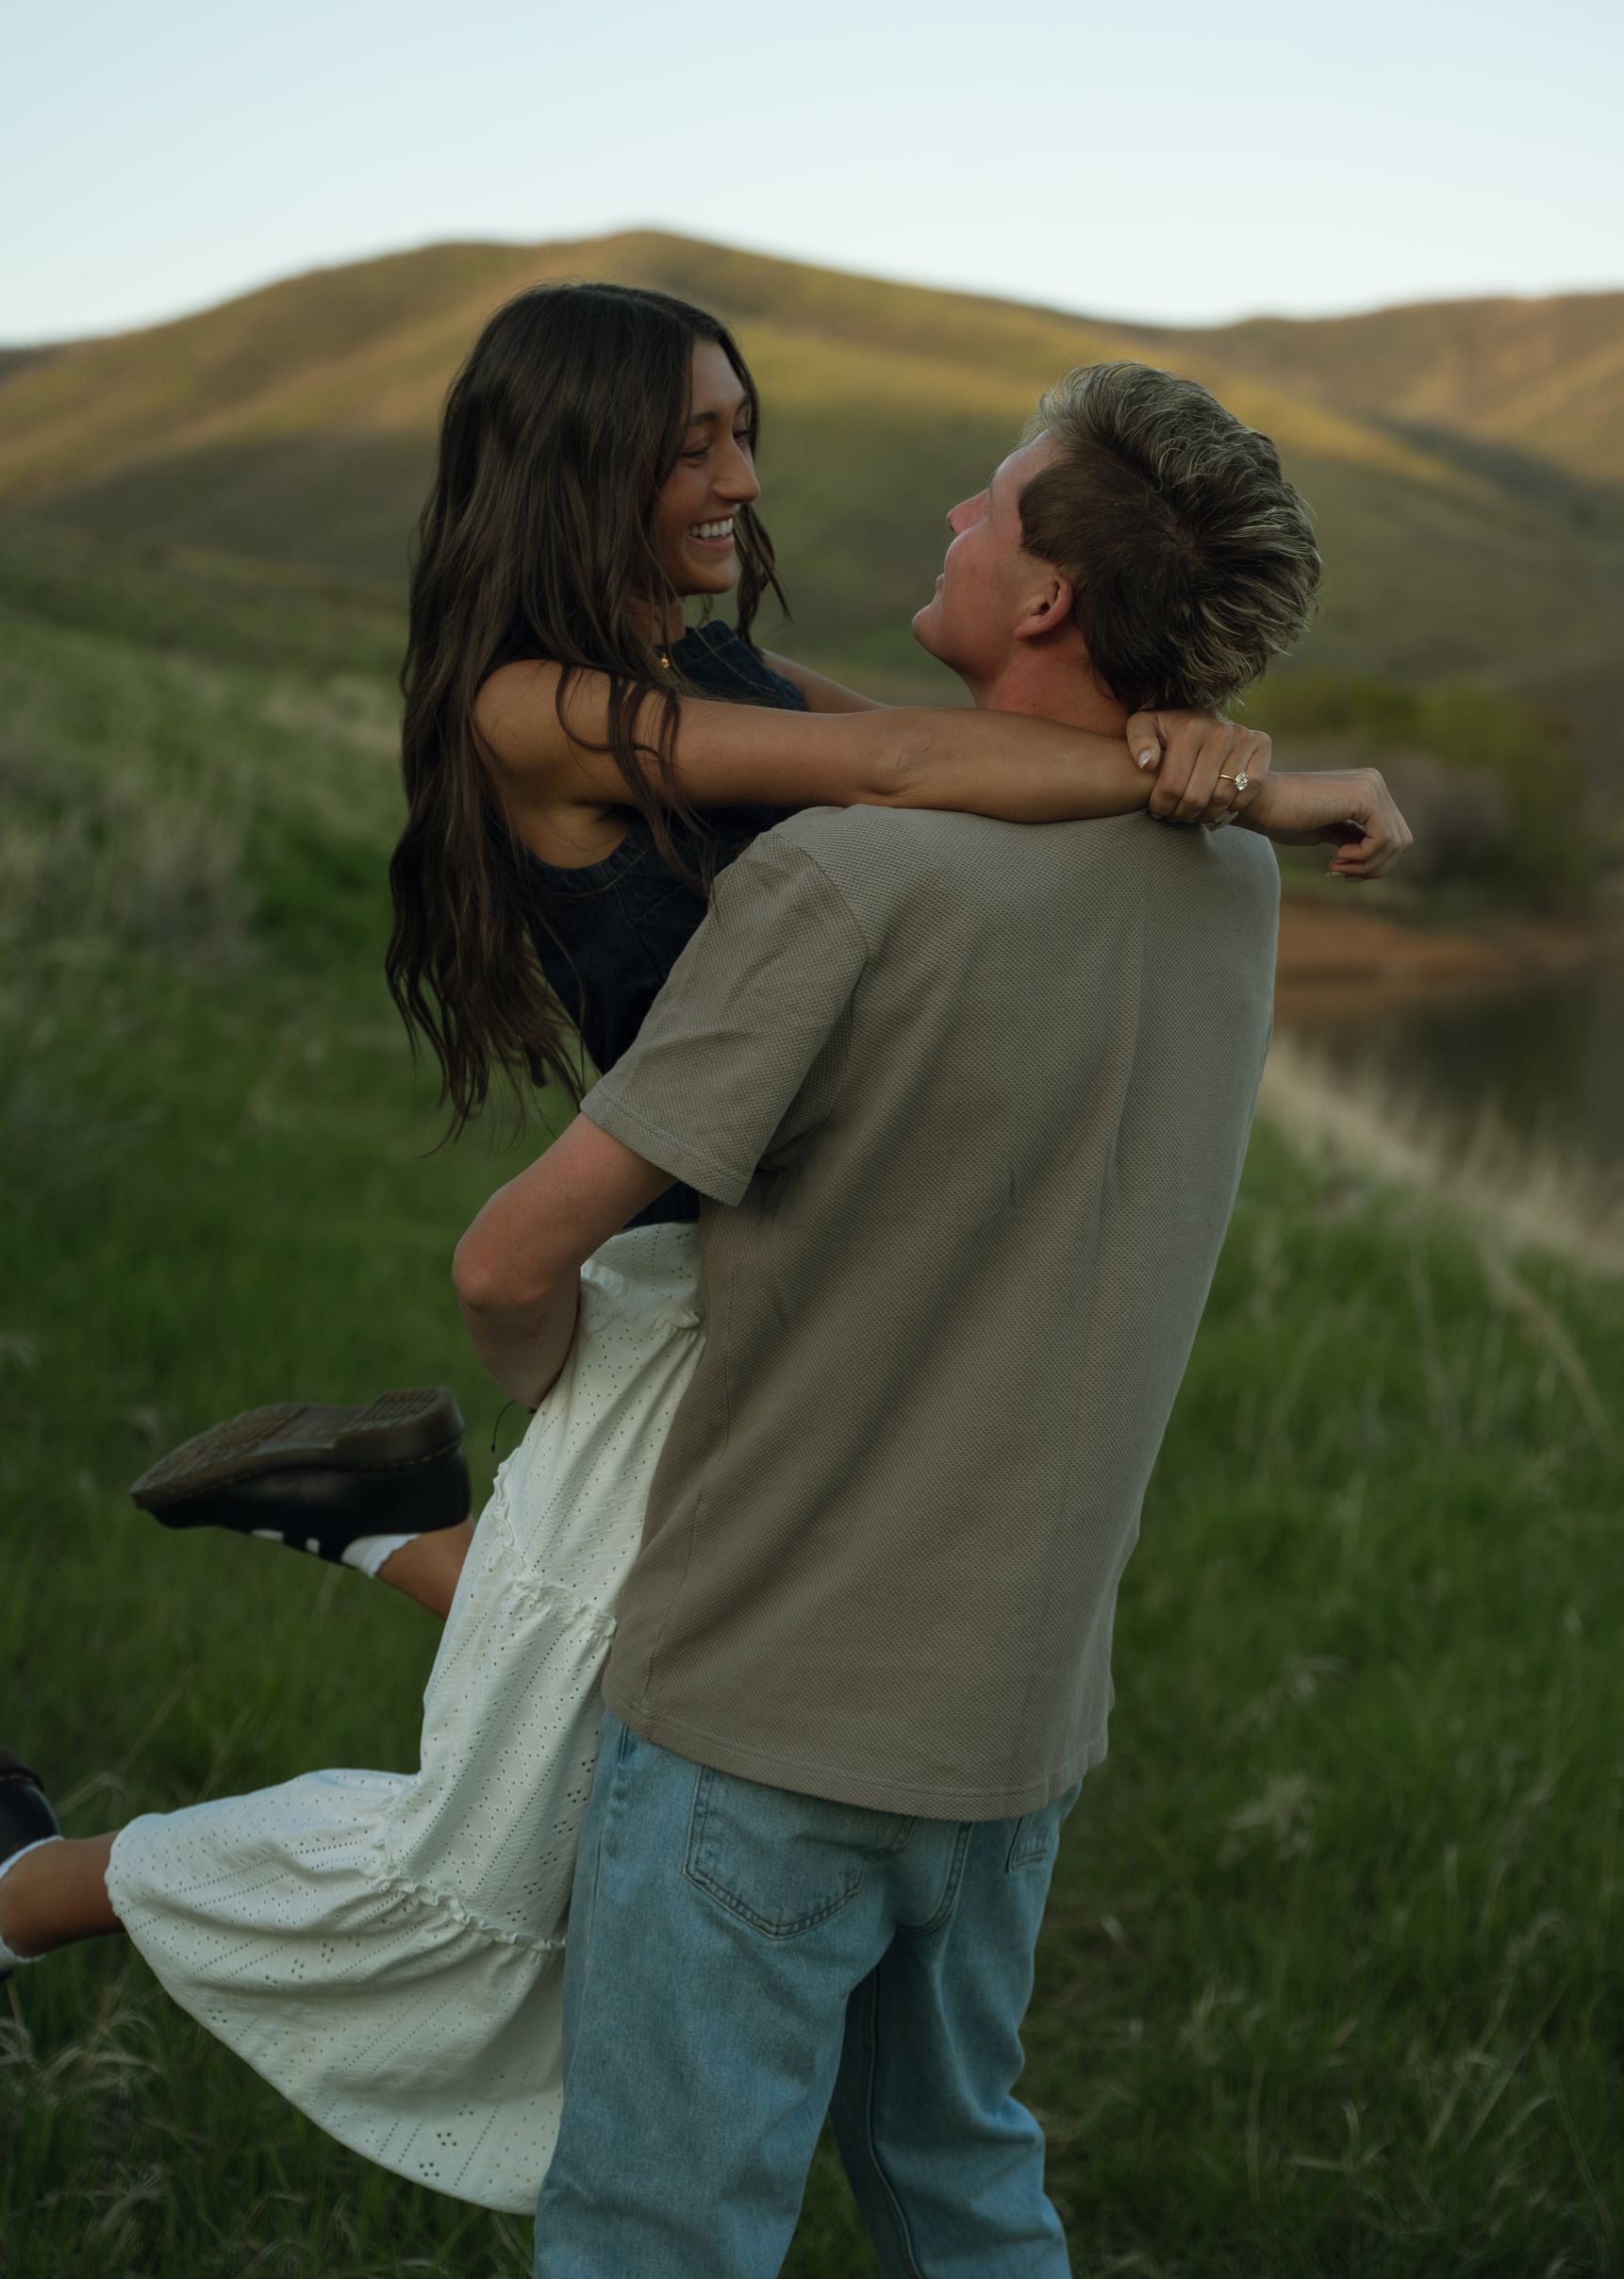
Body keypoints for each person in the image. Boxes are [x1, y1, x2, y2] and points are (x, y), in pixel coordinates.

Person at [0, 285, 1407, 2222]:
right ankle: (44, 1879)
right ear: (581, 463)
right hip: (672, 1264)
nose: (747, 475)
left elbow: (926, 743)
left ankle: (348, 1524)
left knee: (576, 1694)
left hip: (758, 1265)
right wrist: (1236, 780)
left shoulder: (721, 670)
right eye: (696, 442)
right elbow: (913, 782)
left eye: (745, 427)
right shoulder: (540, 701)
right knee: (486, 1848)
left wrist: (1198, 757)